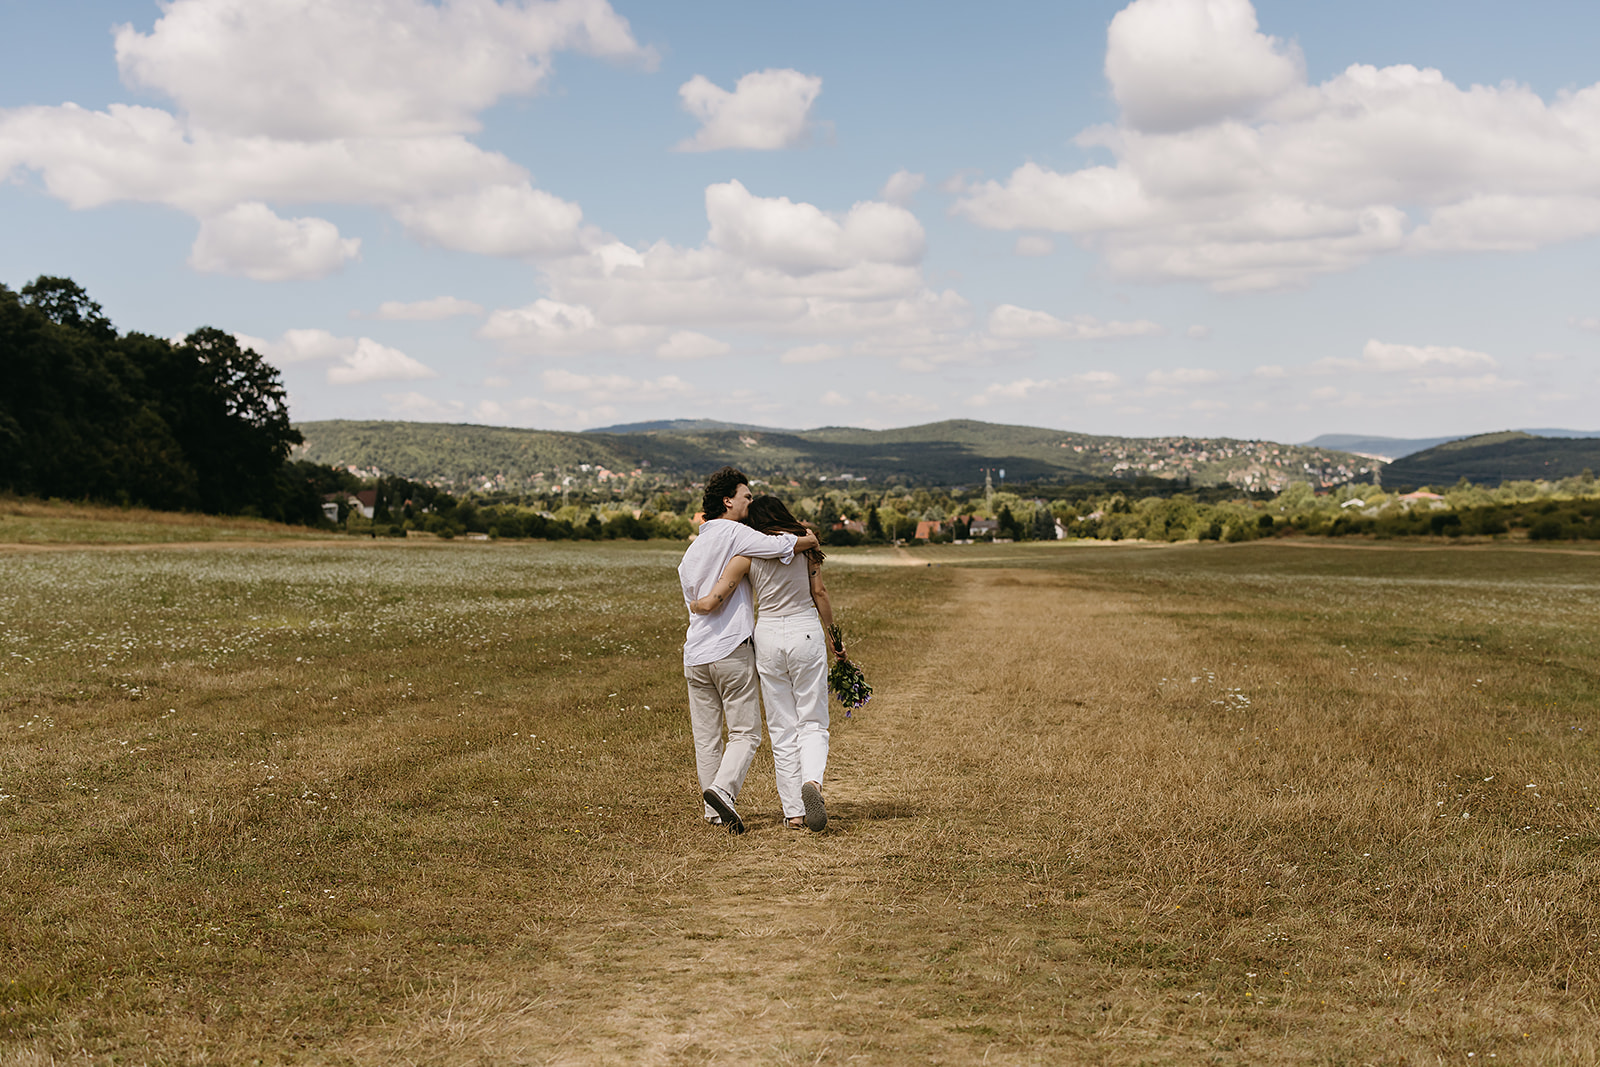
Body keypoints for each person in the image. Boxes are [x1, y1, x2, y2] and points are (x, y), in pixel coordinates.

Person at [679, 467, 819, 835]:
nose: (750, 502)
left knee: (706, 736)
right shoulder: (737, 534)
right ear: (728, 501)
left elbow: (695, 600)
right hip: (731, 649)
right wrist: (808, 538)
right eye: (746, 496)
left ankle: (713, 813)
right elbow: (780, 546)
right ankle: (723, 792)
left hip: (695, 654)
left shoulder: (691, 551)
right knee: (746, 734)